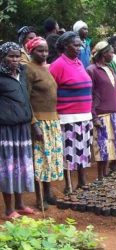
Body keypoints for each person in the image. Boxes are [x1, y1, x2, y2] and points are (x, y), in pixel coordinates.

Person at [49, 32, 93, 193]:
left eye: (80, 45)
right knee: (69, 152)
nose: (79, 48)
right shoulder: (58, 65)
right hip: (67, 117)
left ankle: (82, 181)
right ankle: (68, 185)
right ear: (65, 46)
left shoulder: (79, 63)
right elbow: (50, 92)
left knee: (82, 151)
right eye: (75, 45)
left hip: (84, 116)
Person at [26, 37, 64, 210]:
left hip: (52, 120)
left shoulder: (47, 68)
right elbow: (25, 100)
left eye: (46, 50)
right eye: (40, 50)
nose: (44, 54)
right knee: (39, 160)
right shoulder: (28, 69)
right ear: (31, 51)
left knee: (50, 159)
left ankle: (48, 193)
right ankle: (39, 197)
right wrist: (34, 123)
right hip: (39, 121)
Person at [0, 42, 35, 219]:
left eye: (17, 56)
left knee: (21, 166)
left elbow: (26, 98)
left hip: (23, 128)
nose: (15, 60)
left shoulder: (22, 73)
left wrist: (33, 122)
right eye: (10, 56)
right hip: (6, 130)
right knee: (8, 167)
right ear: (3, 57)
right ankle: (8, 209)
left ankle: (20, 204)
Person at [87, 41, 116, 181]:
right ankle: (100, 175)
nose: (113, 55)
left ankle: (106, 172)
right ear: (103, 54)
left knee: (112, 145)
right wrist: (94, 116)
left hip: (113, 113)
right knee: (102, 146)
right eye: (111, 52)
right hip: (101, 113)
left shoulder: (110, 69)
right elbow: (89, 95)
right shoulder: (92, 70)